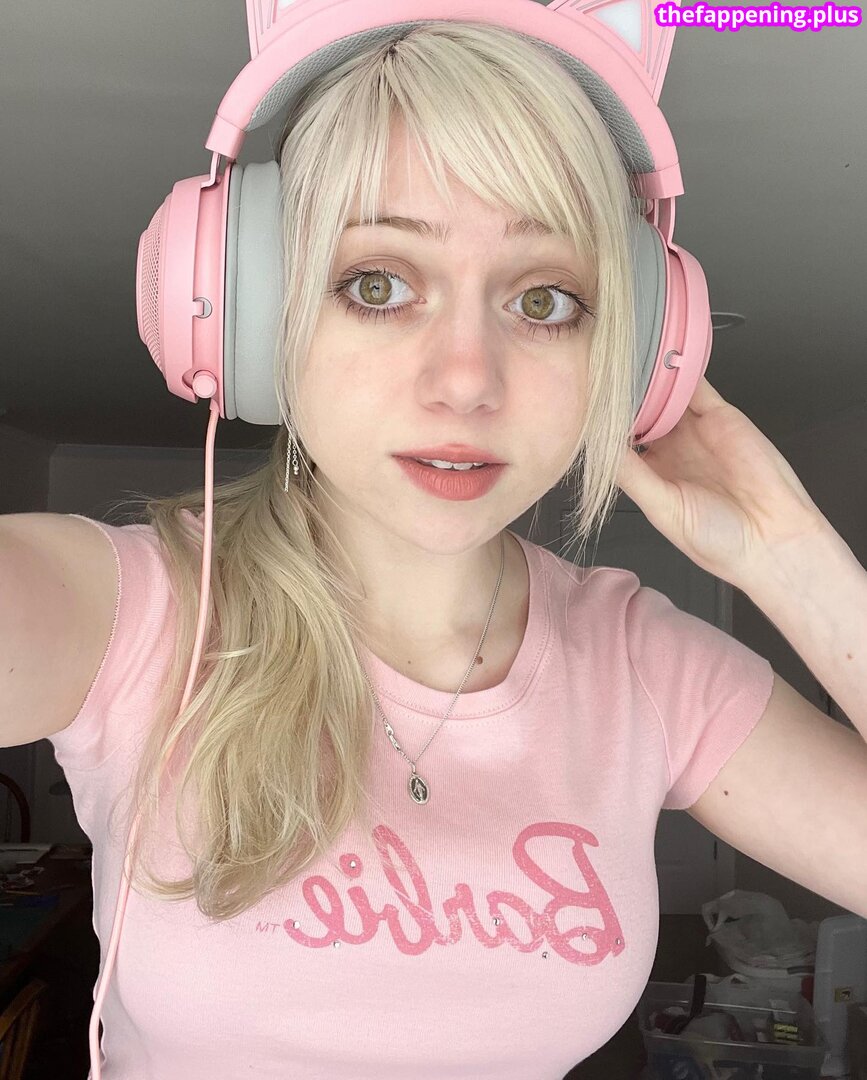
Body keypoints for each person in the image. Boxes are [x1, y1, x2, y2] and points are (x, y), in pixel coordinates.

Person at [2, 18, 866, 1080]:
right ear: (255, 316)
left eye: (545, 300)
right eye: (378, 284)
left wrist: (790, 557)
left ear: (633, 356)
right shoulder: (125, 612)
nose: (467, 380)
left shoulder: (644, 662)